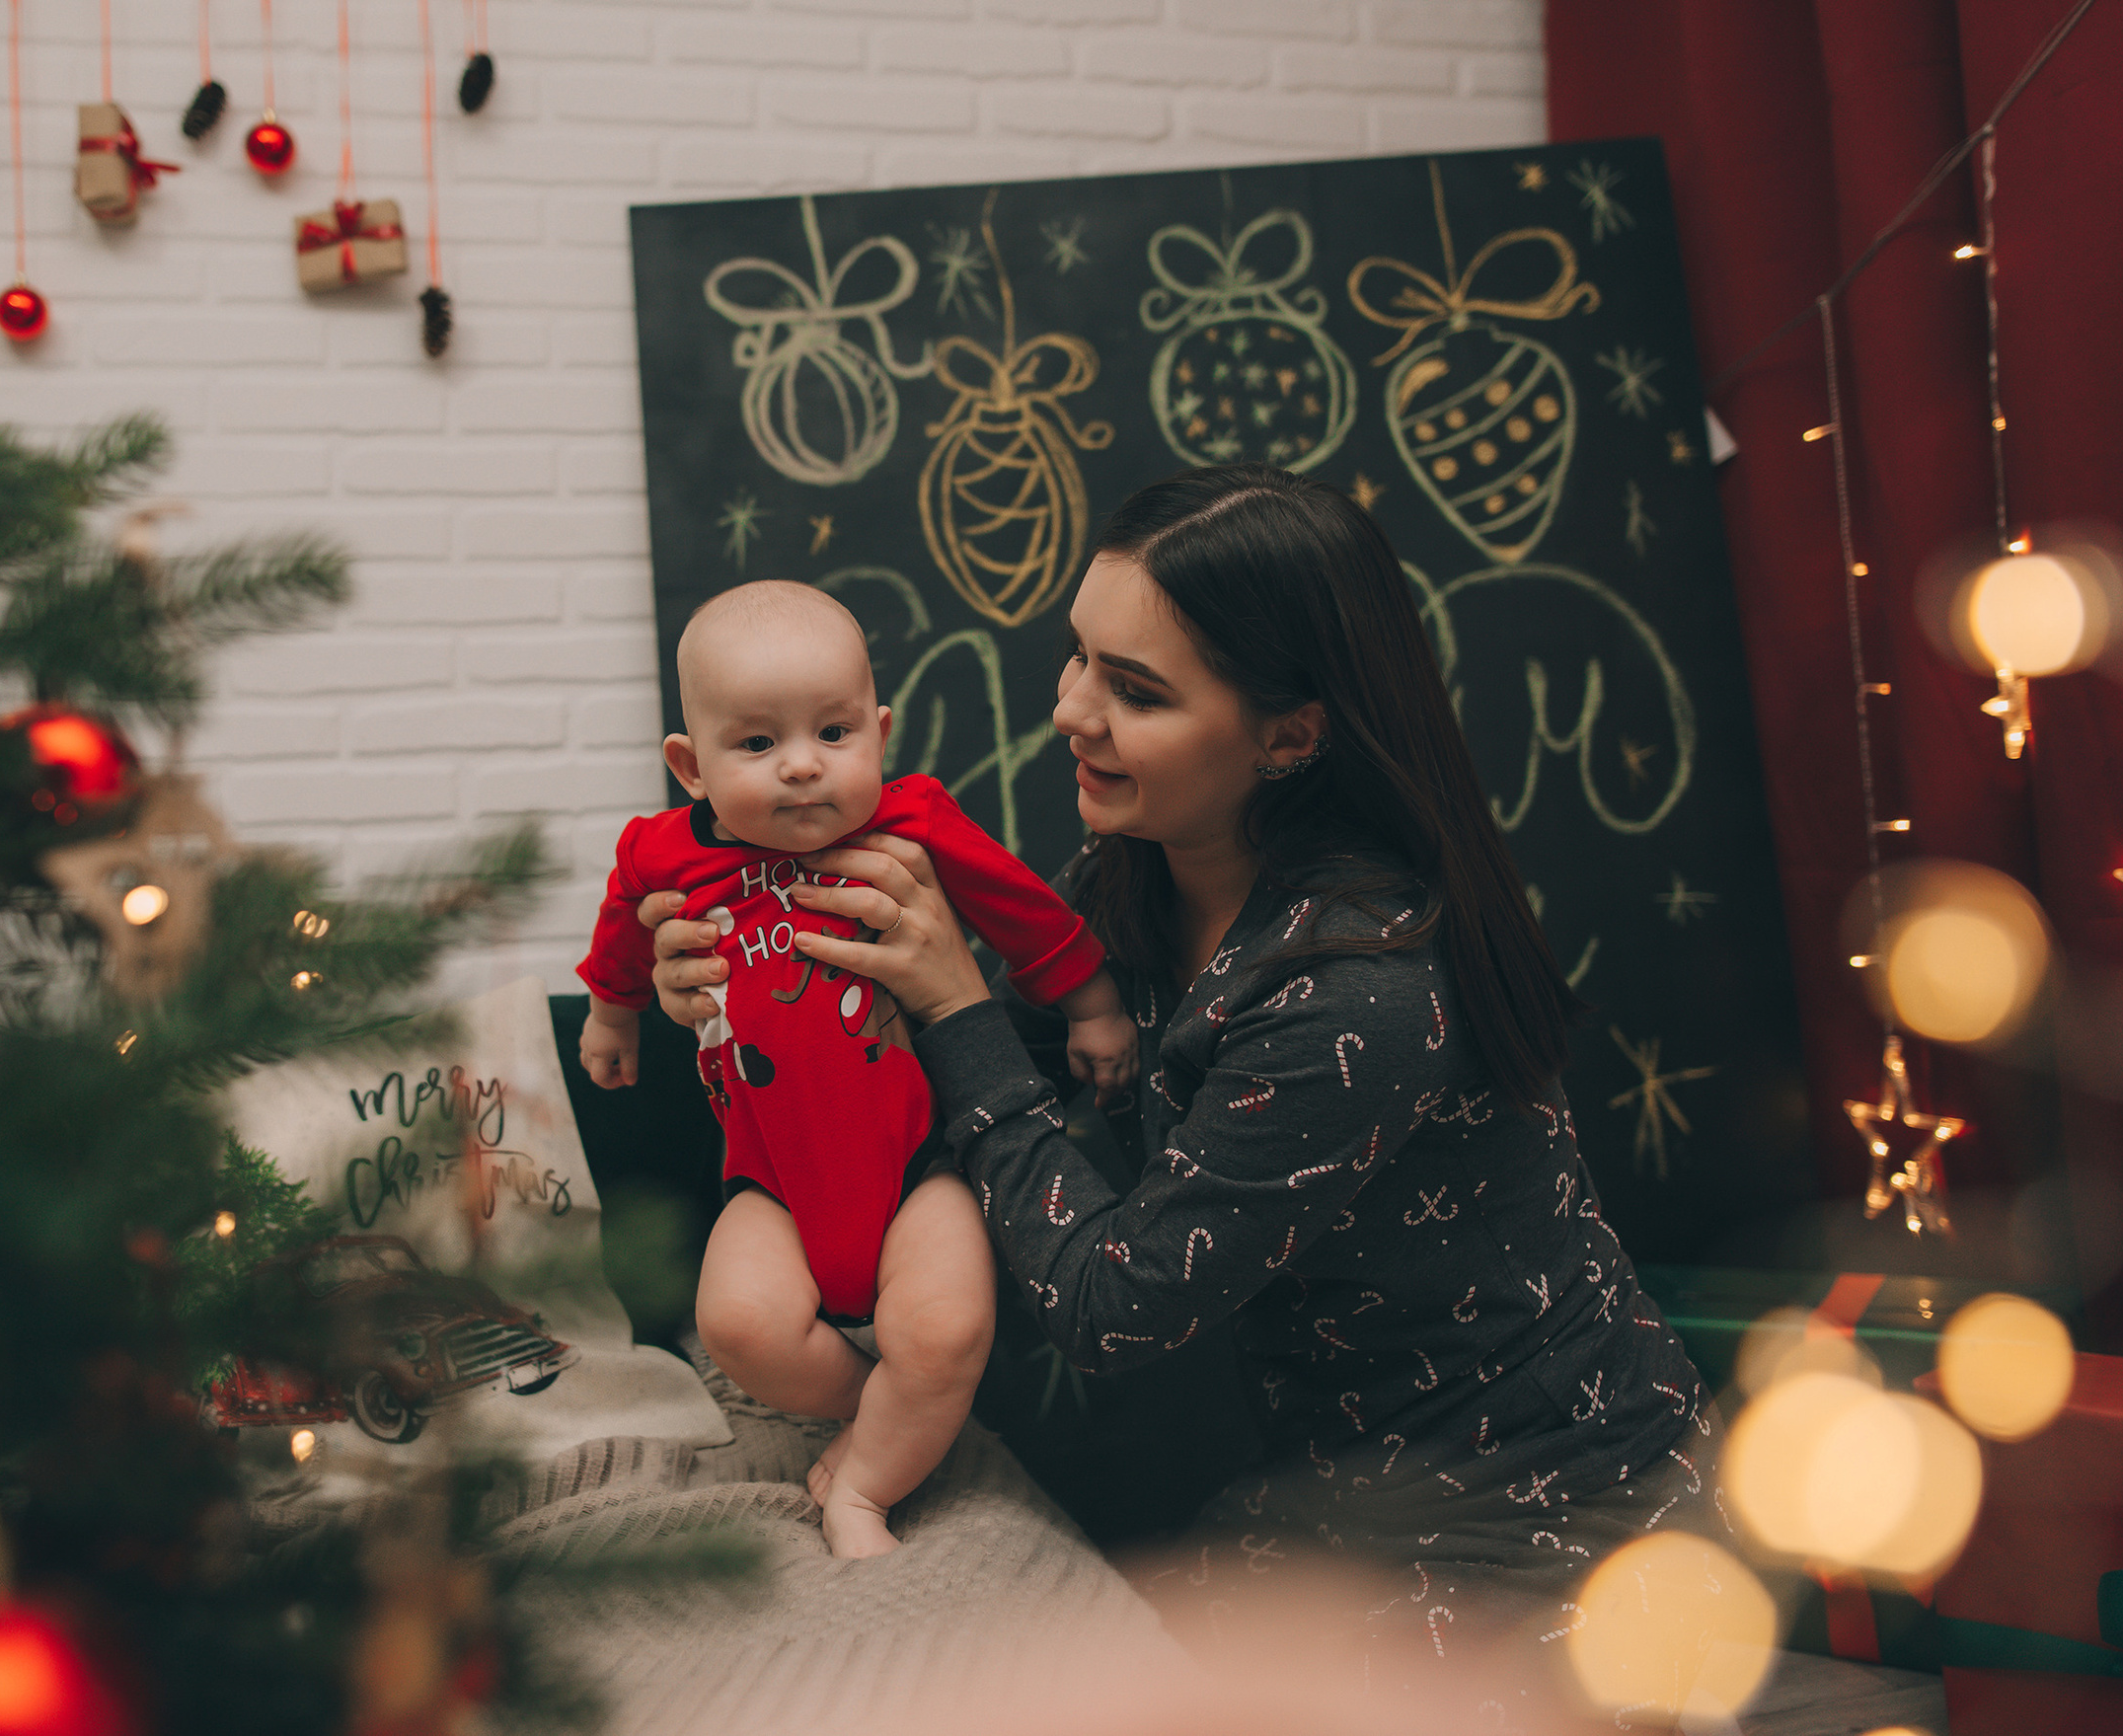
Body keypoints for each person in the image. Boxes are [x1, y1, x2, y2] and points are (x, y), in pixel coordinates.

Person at [632, 470, 1724, 1666]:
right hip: (1347, 1485)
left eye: (1135, 691)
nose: (1069, 712)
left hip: (1571, 1526)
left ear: (1290, 733)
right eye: (1077, 659)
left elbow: (1112, 1305)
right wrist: (741, 988)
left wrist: (948, 1001)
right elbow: (964, 1089)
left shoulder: (1357, 991)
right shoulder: (1141, 870)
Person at [575, 580, 1136, 1558]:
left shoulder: (911, 823)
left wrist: (1092, 1004)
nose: (801, 767)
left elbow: (1021, 911)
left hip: (920, 1162)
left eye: (833, 732)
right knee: (737, 1325)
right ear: (690, 765)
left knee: (948, 1327)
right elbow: (624, 929)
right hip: (773, 1182)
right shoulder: (661, 853)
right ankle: (882, 1408)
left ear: (878, 730)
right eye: (756, 745)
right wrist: (612, 1014)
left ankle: (865, 1488)